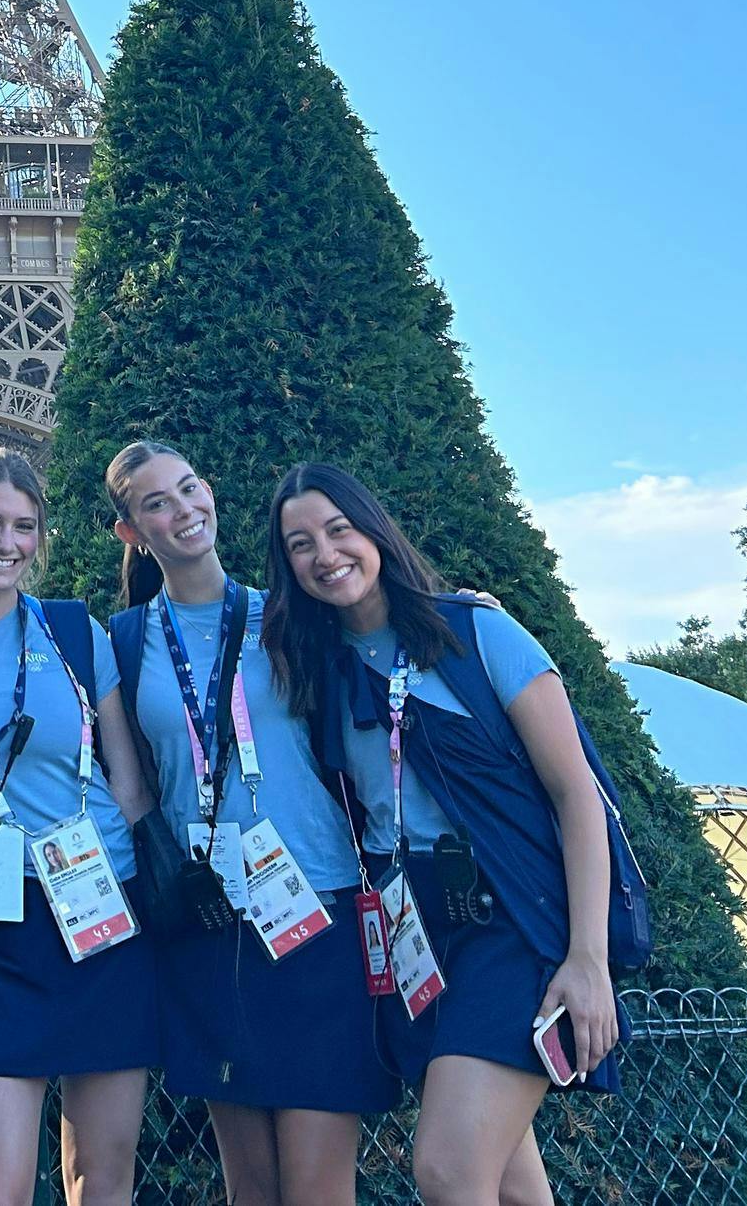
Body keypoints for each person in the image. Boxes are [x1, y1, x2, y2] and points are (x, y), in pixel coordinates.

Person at [266, 463, 625, 1206]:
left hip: (510, 921)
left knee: (449, 1170)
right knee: (513, 1188)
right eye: (301, 544)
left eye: (339, 530)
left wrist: (588, 959)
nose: (326, 554)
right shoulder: (320, 675)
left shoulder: (476, 632)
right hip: (416, 935)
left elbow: (577, 795)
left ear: (374, 529)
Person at [104, 442, 396, 1205]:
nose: (182, 509)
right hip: (207, 921)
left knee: (316, 1186)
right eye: (156, 502)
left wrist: (466, 609)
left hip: (316, 908)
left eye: (189, 488)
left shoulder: (295, 616)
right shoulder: (124, 643)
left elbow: (389, 640)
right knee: (253, 1190)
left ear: (212, 494)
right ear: (131, 531)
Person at [0, 447, 160, 1206]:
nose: (4, 542)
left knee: (102, 1182)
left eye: (22, 526)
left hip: (101, 913)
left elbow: (129, 781)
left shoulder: (76, 635)